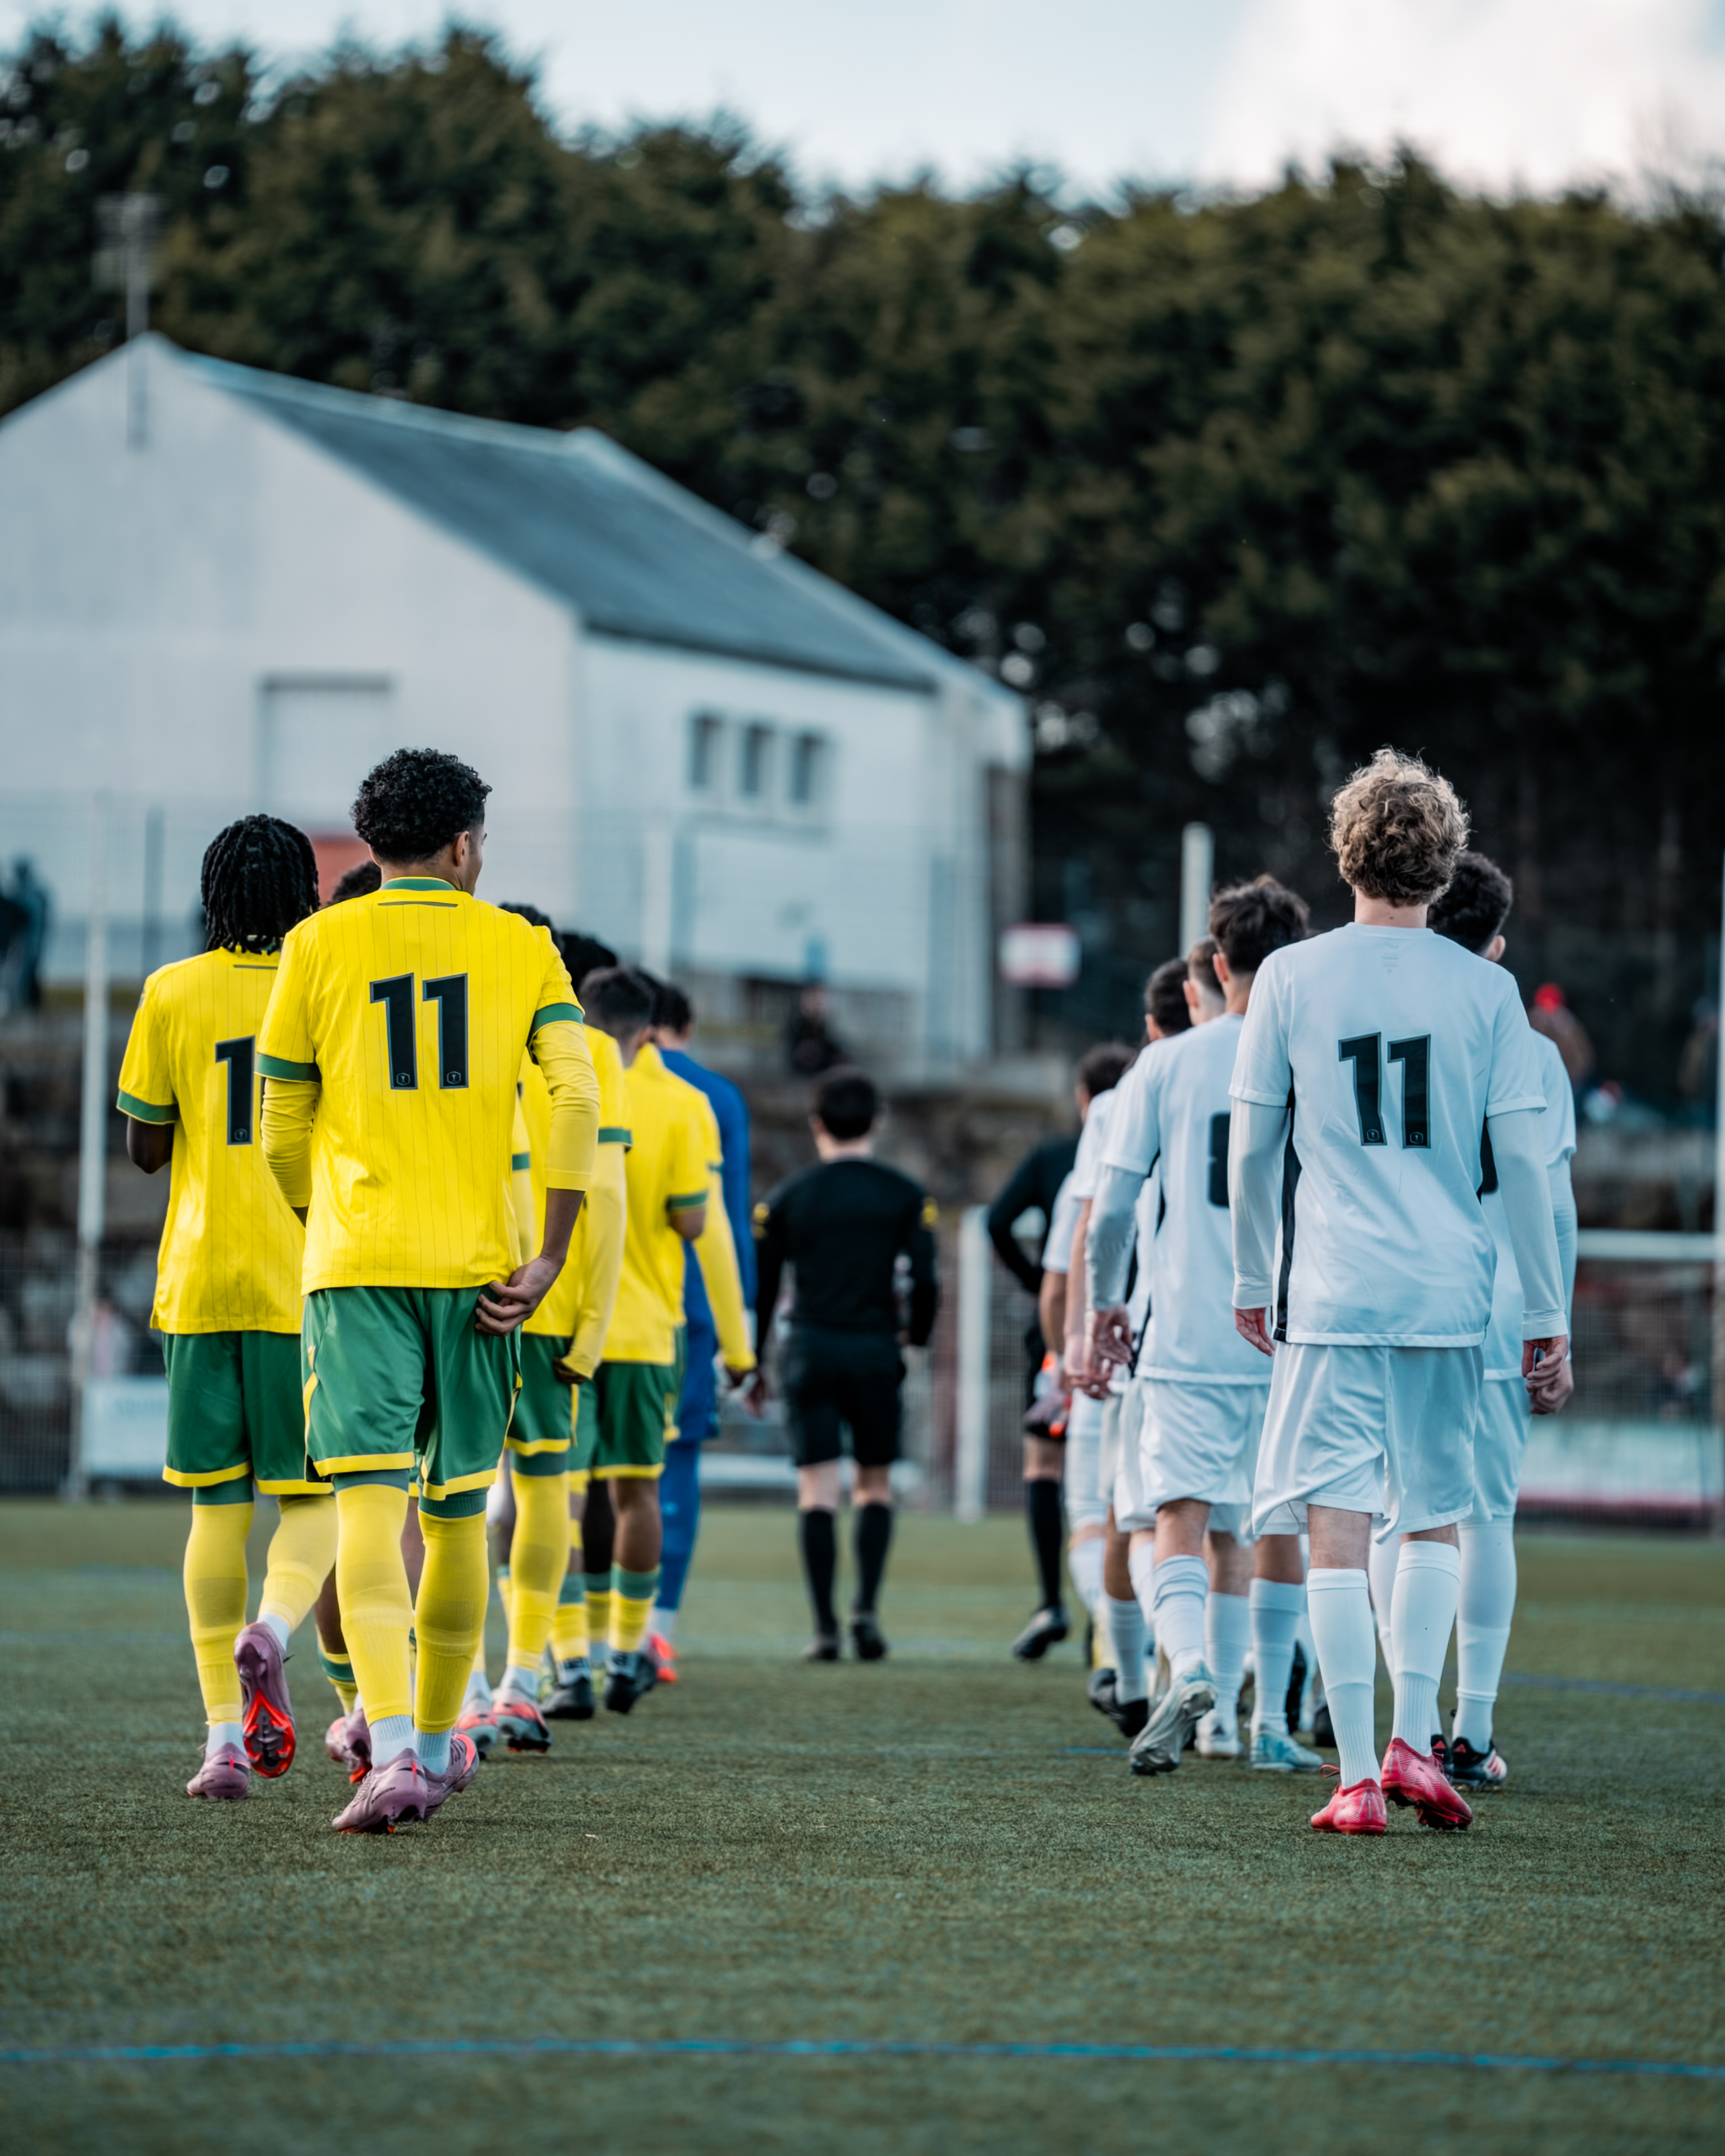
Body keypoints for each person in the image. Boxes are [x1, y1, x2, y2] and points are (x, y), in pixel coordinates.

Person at [258, 748, 601, 1833]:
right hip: (481, 1273)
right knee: (456, 1518)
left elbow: (279, 1122)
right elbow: (576, 1097)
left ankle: (395, 1745)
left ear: (371, 844)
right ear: (462, 845)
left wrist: (325, 1226)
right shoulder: (523, 945)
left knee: (368, 1512)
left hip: (357, 1267)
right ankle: (446, 1741)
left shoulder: (315, 943)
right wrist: (549, 1253)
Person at [1228, 750, 1566, 1837]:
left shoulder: (1290, 976)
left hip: (1332, 1287)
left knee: (1336, 1519)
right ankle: (1417, 1743)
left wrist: (1252, 1274)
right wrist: (1545, 1312)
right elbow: (1525, 1165)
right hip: (1448, 1288)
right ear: (1444, 862)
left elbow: (1251, 1147)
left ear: (1344, 854)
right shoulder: (1488, 989)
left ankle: (1356, 1777)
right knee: (1430, 1516)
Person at [115, 815, 336, 1800]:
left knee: (215, 1505)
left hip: (201, 1281)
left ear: (213, 895)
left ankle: (220, 1741)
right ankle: (275, 1629)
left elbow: (145, 1149)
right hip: (307, 1279)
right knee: (318, 1500)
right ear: (305, 894)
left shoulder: (171, 989)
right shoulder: (324, 980)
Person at [1091, 879, 1322, 1779]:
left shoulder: (1166, 1065)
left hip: (1189, 1329)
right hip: (1295, 1331)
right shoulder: (1315, 1056)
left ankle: (1187, 1668)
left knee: (1180, 1516)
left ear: (1218, 966)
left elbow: (1114, 1207)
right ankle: (1253, 1722)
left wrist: (1106, 1305)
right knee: (1279, 1526)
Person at [1424, 852, 1577, 1788]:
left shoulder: (1393, 1024)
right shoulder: (1533, 1049)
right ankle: (1470, 1734)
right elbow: (1549, 1201)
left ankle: (1399, 1728)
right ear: (1498, 943)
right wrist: (1555, 1325)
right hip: (1499, 1303)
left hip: (1403, 1289)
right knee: (1485, 1519)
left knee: (1398, 1515)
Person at [748, 1066, 939, 1660]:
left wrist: (753, 1360)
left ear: (816, 1124)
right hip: (875, 1349)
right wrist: (915, 1339)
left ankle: (825, 1628)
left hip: (809, 1348)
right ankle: (866, 1612)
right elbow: (927, 1281)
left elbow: (763, 1288)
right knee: (875, 1483)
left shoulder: (788, 1197)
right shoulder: (905, 1195)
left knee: (817, 1487)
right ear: (877, 1122)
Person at [575, 967, 714, 1713]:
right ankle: (629, 1653)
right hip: (643, 1327)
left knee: (558, 1497)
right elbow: (694, 1220)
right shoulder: (684, 1103)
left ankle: (568, 1659)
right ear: (650, 1027)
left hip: (564, 1322)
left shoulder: (563, 1084)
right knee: (638, 1492)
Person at [650, 979, 758, 1676]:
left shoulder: (579, 1078)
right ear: (684, 1026)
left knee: (571, 1473)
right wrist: (740, 1322)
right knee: (676, 1461)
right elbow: (729, 1217)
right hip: (685, 1308)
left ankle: (571, 1640)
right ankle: (654, 1629)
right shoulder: (714, 1096)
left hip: (576, 1307)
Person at [1051, 1043, 1138, 1673]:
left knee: (1095, 1513)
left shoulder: (1115, 1111)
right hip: (1225, 1340)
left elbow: (1085, 1235)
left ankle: (1126, 1649)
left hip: (1120, 1342)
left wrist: (1072, 1341)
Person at [988, 1104, 1081, 1658]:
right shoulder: (1161, 1148)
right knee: (1123, 1480)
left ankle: (1051, 1602)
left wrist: (1038, 1283)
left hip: (1058, 1331)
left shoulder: (1056, 1158)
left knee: (1044, 1465)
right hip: (1136, 1332)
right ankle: (1114, 1621)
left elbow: (997, 1221)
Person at [786, 981, 847, 1076]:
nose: (816, 1006)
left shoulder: (833, 1037)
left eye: (819, 1002)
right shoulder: (794, 1032)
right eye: (810, 1000)